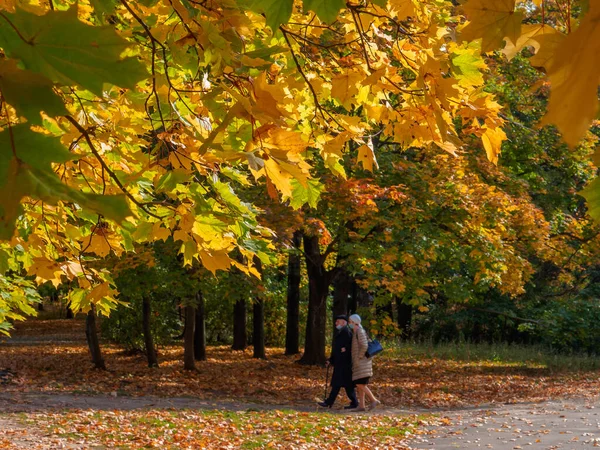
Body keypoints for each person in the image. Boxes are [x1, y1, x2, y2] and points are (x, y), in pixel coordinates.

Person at [318, 315, 358, 409]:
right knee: (347, 385)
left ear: (344, 322)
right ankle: (354, 402)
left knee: (339, 384)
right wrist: (331, 360)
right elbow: (337, 349)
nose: (336, 323)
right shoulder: (341, 332)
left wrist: (346, 349)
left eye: (338, 322)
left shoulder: (347, 332)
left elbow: (352, 346)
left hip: (344, 363)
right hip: (341, 363)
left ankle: (329, 402)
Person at [348, 314, 380, 411]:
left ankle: (374, 400)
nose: (349, 323)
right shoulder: (356, 331)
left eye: (350, 322)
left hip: (362, 363)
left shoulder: (360, 332)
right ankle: (361, 406)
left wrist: (359, 357)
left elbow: (364, 346)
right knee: (360, 384)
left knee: (360, 384)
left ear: (354, 322)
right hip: (360, 363)